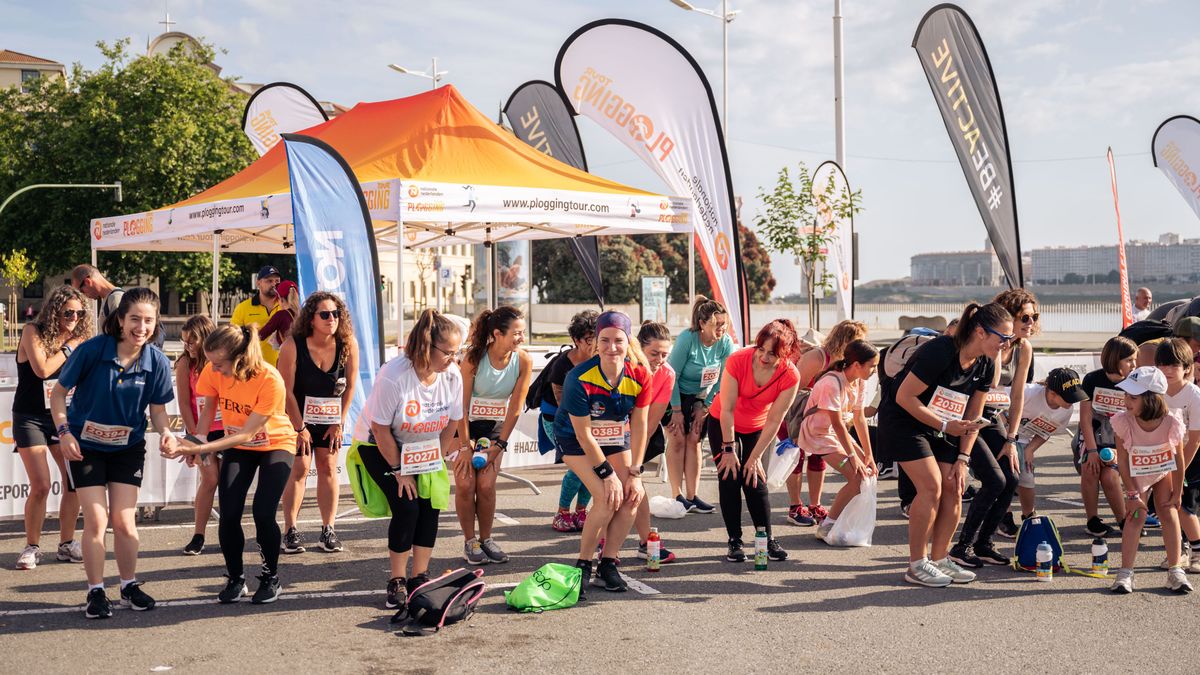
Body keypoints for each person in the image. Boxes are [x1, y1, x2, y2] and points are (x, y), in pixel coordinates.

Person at [49, 287, 176, 619]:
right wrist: (63, 434)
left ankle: (128, 585)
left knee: (123, 521)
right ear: (120, 320)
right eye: (135, 319)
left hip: (127, 447)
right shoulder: (92, 351)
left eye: (149, 321)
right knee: (97, 519)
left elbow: (159, 411)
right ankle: (95, 591)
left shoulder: (157, 362)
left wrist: (165, 433)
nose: (141, 327)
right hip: (85, 447)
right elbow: (59, 394)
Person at [877, 302, 1011, 587]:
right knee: (931, 485)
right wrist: (942, 425)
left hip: (943, 426)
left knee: (954, 484)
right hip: (904, 421)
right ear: (980, 332)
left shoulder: (986, 363)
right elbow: (904, 397)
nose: (1006, 344)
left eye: (1010, 339)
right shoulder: (940, 350)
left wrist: (963, 459)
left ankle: (939, 559)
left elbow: (974, 416)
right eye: (1003, 337)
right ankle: (916, 565)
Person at [162, 324, 298, 605]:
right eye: (210, 362)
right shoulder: (213, 371)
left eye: (219, 364)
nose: (213, 369)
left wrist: (198, 447)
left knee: (263, 512)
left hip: (276, 443)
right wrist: (196, 441)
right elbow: (209, 409)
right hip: (238, 445)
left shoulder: (269, 379)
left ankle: (271, 577)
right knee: (230, 512)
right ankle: (236, 579)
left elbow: (250, 433)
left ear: (239, 357)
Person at [348, 309, 463, 616]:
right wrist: (400, 472)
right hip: (377, 444)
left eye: (457, 352)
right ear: (427, 347)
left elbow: (452, 422)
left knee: (431, 504)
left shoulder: (452, 375)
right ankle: (397, 580)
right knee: (407, 504)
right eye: (449, 352)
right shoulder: (394, 375)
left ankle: (419, 577)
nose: (454, 358)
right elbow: (380, 428)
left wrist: (434, 460)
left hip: (421, 446)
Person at [554, 311, 651, 596]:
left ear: (628, 341)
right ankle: (582, 565)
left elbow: (641, 424)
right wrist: (607, 474)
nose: (611, 347)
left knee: (633, 495)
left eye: (618, 341)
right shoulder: (578, 378)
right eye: (604, 340)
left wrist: (635, 472)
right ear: (596, 342)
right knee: (607, 497)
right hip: (574, 440)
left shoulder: (640, 374)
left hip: (614, 437)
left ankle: (608, 563)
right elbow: (583, 435)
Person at [707, 319, 800, 562]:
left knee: (755, 479)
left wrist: (755, 456)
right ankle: (734, 540)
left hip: (757, 427)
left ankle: (765, 539)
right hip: (723, 421)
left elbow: (774, 420)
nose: (764, 357)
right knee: (730, 476)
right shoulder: (738, 360)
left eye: (772, 354)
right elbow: (727, 409)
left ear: (786, 354)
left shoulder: (790, 375)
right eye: (761, 350)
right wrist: (728, 449)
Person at [954, 290, 1037, 560]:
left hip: (991, 417)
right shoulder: (989, 344)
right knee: (993, 480)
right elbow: (990, 383)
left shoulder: (1024, 347)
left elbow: (1017, 395)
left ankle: (984, 544)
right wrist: (1002, 344)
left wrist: (1012, 439)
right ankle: (962, 546)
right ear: (1007, 317)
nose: (1031, 323)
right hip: (966, 414)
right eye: (1024, 317)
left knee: (1011, 477)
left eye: (1034, 317)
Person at [12, 286, 91, 570]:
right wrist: (70, 347)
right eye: (68, 312)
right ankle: (31, 546)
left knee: (73, 483)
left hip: (62, 417)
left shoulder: (80, 338)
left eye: (79, 313)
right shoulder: (33, 331)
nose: (73, 318)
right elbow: (43, 370)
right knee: (41, 485)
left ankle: (66, 543)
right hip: (29, 416)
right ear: (55, 310)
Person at [278, 292, 358, 554]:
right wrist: (299, 428)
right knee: (299, 468)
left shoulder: (347, 345)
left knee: (328, 467)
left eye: (336, 314)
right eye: (324, 314)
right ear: (311, 319)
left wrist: (340, 421)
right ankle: (290, 529)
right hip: (297, 416)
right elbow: (285, 391)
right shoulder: (292, 345)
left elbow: (350, 388)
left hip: (330, 418)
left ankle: (328, 529)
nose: (331, 319)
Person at [456, 306, 532, 565]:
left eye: (523, 332)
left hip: (494, 429)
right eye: (517, 333)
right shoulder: (473, 358)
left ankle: (486, 539)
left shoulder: (523, 361)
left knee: (486, 485)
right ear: (497, 333)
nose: (521, 338)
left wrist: (500, 445)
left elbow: (515, 408)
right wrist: (465, 446)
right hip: (465, 426)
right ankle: (470, 542)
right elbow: (460, 407)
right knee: (466, 484)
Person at [1109, 366, 1191, 593]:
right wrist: (1132, 494)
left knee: (1169, 512)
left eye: (1133, 397)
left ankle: (1175, 570)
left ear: (1152, 399)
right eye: (1126, 395)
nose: (1126, 400)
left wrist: (1178, 491)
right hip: (1136, 474)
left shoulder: (1171, 421)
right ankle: (1126, 573)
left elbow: (1179, 458)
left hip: (1163, 472)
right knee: (1135, 516)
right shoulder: (1123, 422)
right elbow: (1123, 461)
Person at [795, 339, 879, 544]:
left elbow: (859, 418)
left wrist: (868, 455)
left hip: (834, 432)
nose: (875, 371)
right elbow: (838, 423)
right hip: (818, 433)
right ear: (857, 365)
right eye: (872, 366)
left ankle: (839, 522)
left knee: (866, 472)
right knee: (857, 475)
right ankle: (828, 525)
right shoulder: (831, 383)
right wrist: (853, 456)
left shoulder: (860, 381)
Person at [787, 320, 868, 527]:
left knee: (818, 460)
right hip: (798, 415)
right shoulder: (818, 357)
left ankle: (815, 504)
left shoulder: (853, 367)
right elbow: (793, 389)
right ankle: (795, 506)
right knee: (796, 458)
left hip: (826, 423)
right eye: (859, 341)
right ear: (846, 341)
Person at [665, 296, 734, 514]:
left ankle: (692, 496)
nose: (721, 330)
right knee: (677, 439)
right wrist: (676, 410)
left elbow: (726, 378)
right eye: (716, 325)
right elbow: (671, 376)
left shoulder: (725, 342)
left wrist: (705, 405)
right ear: (702, 324)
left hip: (702, 396)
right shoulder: (688, 339)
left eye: (724, 325)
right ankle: (677, 495)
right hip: (673, 393)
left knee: (694, 439)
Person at [1076, 336, 1138, 537]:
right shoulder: (1092, 380)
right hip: (1092, 439)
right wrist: (1092, 450)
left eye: (1134, 359)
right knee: (1090, 467)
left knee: (1110, 476)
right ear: (1114, 359)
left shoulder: (1135, 382)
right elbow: (1085, 419)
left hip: (1121, 441)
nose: (1134, 364)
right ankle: (1092, 521)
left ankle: (1124, 521)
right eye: (1129, 360)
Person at [1012, 369, 1088, 531]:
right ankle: (1003, 518)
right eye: (1068, 397)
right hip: (1003, 434)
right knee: (1007, 478)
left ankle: (1028, 515)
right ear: (1052, 393)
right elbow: (995, 398)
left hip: (1025, 441)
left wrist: (1030, 449)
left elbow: (1046, 431)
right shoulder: (1028, 393)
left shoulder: (1065, 410)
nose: (1072, 402)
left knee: (1027, 478)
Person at [544, 310, 598, 533]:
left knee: (594, 467)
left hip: (591, 421)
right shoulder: (562, 364)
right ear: (576, 341)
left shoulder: (602, 360)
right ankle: (562, 513)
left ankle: (581, 511)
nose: (594, 343)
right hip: (558, 420)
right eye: (588, 339)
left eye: (598, 337)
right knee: (580, 468)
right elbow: (561, 402)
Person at [174, 315, 222, 556]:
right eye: (184, 341)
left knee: (229, 482)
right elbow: (183, 402)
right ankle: (198, 534)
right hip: (200, 430)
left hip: (226, 429)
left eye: (192, 341)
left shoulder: (220, 361)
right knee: (210, 478)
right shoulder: (185, 363)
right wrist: (194, 437)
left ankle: (228, 532)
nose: (188, 346)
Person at [633, 321, 678, 563]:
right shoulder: (626, 367)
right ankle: (603, 545)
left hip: (640, 435)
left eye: (664, 354)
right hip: (611, 433)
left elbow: (651, 421)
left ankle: (644, 542)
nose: (660, 359)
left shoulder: (667, 374)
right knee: (612, 493)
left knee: (635, 487)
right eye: (654, 353)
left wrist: (635, 458)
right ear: (639, 348)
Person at [1154, 339, 1200, 573]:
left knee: (1183, 507)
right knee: (1165, 507)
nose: (1168, 371)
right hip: (1163, 458)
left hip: (1192, 457)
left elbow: (1195, 440)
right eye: (1163, 365)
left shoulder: (1194, 396)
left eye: (1174, 365)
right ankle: (1177, 552)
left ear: (1187, 367)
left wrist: (1177, 471)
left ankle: (1197, 551)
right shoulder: (1156, 393)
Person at [70, 264, 163, 348]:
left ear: (87, 282)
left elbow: (121, 337)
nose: (84, 295)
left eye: (81, 291)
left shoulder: (116, 298)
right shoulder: (109, 299)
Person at [230, 265, 283, 366]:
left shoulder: (286, 306)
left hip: (281, 368)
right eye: (269, 281)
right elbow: (233, 338)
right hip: (253, 368)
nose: (274, 284)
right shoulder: (243, 308)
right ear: (258, 283)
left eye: (277, 281)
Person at [259, 280, 299, 354]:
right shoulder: (303, 314)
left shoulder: (281, 315)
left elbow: (261, 335)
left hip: (287, 359)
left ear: (281, 299)